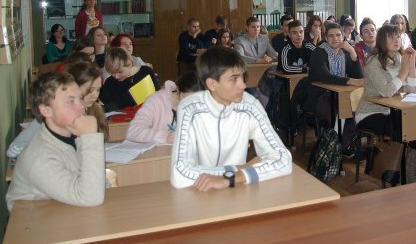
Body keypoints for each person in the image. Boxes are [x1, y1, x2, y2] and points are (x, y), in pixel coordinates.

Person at [170, 46, 292, 190]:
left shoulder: (250, 105)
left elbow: (283, 160)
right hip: (199, 191)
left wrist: (231, 178)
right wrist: (240, 168)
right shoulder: (190, 108)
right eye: (234, 79)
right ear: (212, 84)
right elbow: (179, 174)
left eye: (242, 77)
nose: (243, 85)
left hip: (237, 187)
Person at [6, 72, 105, 211]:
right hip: (37, 220)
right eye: (70, 102)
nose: (81, 106)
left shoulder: (73, 135)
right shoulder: (40, 158)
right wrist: (90, 137)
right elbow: (91, 197)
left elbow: (100, 184)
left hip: (65, 210)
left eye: (80, 98)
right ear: (46, 110)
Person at [357, 24, 416, 183]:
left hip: (394, 111)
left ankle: (409, 175)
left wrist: (411, 65)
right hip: (370, 112)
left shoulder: (400, 59)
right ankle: (393, 173)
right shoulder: (373, 62)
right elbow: (386, 92)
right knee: (400, 130)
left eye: (398, 37)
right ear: (382, 40)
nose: (396, 40)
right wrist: (404, 71)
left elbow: (412, 89)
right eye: (391, 37)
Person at [306, 22, 364, 128]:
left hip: (340, 94)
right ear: (326, 38)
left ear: (343, 37)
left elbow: (359, 77)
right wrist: (350, 81)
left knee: (356, 111)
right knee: (341, 112)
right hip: (320, 96)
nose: (335, 39)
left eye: (338, 35)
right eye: (331, 36)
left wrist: (352, 52)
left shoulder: (345, 53)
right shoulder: (319, 52)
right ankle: (336, 137)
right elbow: (325, 77)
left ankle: (342, 137)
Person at [126, 72, 200, 144]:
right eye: (187, 99)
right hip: (157, 151)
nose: (192, 105)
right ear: (178, 90)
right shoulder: (156, 101)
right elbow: (132, 131)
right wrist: (165, 136)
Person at [99, 47, 160, 112]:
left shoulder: (146, 71)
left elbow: (158, 94)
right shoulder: (109, 82)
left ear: (129, 64)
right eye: (112, 73)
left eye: (120, 72)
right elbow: (109, 106)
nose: (116, 77)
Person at [66, 62, 109, 141]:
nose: (95, 95)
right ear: (75, 88)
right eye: (90, 90)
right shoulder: (65, 117)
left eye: (98, 90)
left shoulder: (95, 109)